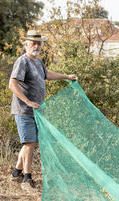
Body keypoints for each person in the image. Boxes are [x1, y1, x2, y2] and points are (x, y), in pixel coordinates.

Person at [9, 30, 77, 188]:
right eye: (33, 42)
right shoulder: (22, 61)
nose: (37, 45)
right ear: (26, 44)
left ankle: (16, 173)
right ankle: (27, 178)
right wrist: (28, 101)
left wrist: (66, 76)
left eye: (39, 43)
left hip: (37, 111)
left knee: (30, 143)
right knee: (29, 143)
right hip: (24, 110)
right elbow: (12, 85)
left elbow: (47, 74)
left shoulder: (38, 62)